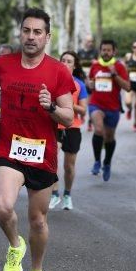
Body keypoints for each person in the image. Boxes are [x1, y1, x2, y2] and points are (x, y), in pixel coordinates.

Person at [0, 8, 74, 271]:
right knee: (4, 207)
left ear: (48, 37)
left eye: (37, 32)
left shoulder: (58, 70)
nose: (31, 37)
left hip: (42, 154)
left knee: (38, 221)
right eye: (26, 30)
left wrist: (51, 108)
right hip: (10, 147)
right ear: (20, 32)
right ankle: (14, 245)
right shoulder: (3, 64)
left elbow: (69, 118)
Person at [48, 51, 88, 211]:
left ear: (75, 65)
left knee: (68, 167)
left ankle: (67, 195)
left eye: (69, 61)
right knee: (52, 160)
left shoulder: (80, 85)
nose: (65, 63)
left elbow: (84, 110)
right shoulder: (53, 81)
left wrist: (69, 103)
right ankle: (55, 193)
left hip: (73, 127)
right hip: (55, 126)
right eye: (62, 60)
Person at [88, 40, 131, 181]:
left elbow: (127, 87)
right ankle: (97, 161)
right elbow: (89, 83)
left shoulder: (119, 66)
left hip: (113, 108)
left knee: (109, 138)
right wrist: (90, 84)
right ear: (100, 51)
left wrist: (115, 75)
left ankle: (107, 162)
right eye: (103, 50)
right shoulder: (95, 65)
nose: (105, 52)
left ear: (114, 52)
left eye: (108, 50)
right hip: (96, 104)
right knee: (99, 130)